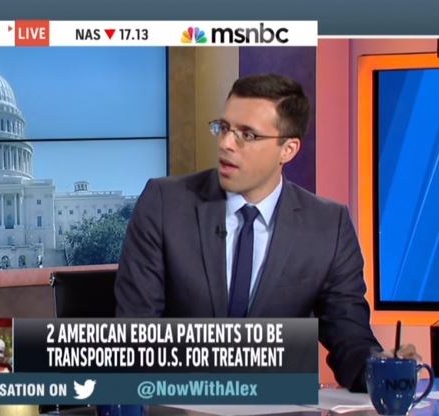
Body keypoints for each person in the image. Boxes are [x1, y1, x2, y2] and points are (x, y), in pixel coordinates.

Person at [115, 74, 414, 392]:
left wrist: (382, 367)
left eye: (247, 134)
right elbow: (136, 334)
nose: (226, 144)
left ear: (288, 149)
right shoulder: (165, 203)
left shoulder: (328, 225)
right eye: (224, 128)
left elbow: (349, 338)